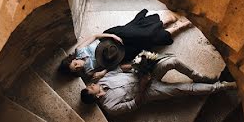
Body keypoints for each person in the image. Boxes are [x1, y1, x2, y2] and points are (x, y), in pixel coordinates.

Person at [59, 9, 191, 81]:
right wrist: (103, 72)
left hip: (112, 37)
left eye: (74, 64)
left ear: (73, 59)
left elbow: (94, 36)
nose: (77, 67)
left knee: (143, 34)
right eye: (75, 70)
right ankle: (177, 28)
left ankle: (164, 22)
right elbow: (111, 67)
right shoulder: (87, 72)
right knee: (148, 41)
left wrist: (112, 36)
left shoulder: (79, 50)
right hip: (118, 54)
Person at [80, 58, 237, 117]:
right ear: (96, 96)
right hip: (149, 91)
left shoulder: (104, 79)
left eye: (90, 85)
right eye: (90, 88)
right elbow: (135, 105)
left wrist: (137, 66)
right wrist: (142, 87)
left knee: (172, 61)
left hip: (143, 74)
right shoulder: (110, 108)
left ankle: (199, 77)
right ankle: (221, 87)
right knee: (184, 89)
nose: (92, 84)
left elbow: (121, 69)